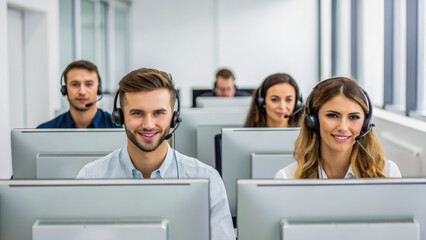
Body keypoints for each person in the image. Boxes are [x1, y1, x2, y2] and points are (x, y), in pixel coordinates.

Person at [77, 68, 235, 240]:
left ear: (174, 118)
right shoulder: (91, 177)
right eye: (137, 113)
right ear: (120, 117)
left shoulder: (206, 179)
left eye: (159, 113)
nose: (148, 124)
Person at [275, 77, 401, 179]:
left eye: (353, 117)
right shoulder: (287, 178)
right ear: (313, 120)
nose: (343, 127)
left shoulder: (387, 173)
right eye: (332, 115)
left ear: (366, 124)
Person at [37, 60, 121, 128]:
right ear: (65, 90)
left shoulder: (117, 129)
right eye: (75, 84)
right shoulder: (46, 131)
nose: (82, 92)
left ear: (99, 89)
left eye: (89, 84)